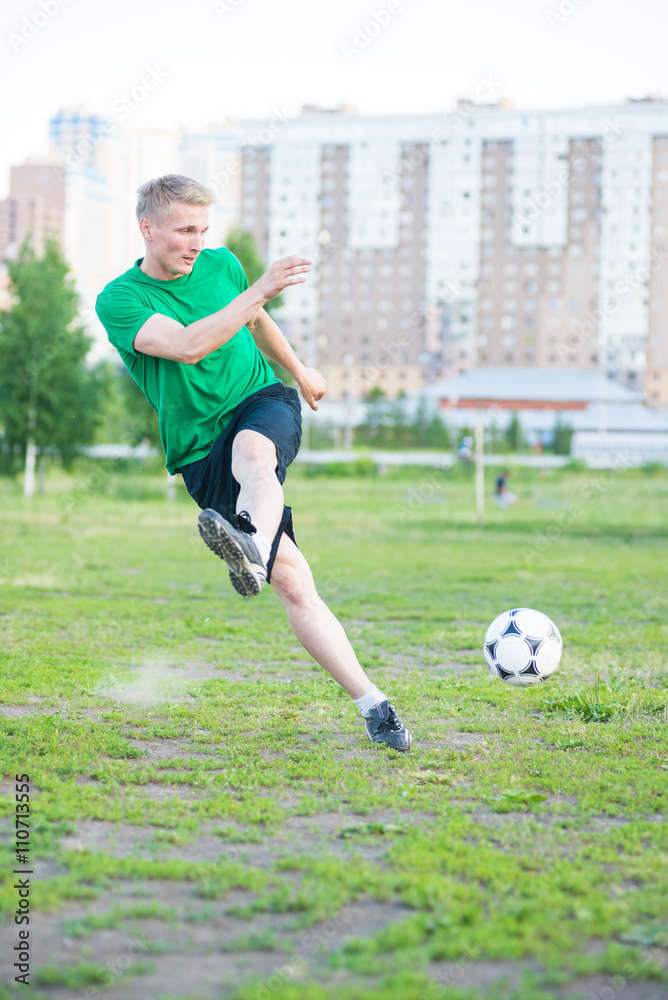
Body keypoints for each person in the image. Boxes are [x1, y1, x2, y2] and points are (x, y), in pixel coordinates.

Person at [95, 174, 411, 751]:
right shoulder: (121, 300)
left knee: (254, 457)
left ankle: (248, 540)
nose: (196, 242)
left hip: (260, 403)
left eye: (203, 230)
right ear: (147, 227)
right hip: (197, 450)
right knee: (293, 582)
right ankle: (375, 705)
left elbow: (257, 322)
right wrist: (260, 288)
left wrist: (299, 370)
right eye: (184, 230)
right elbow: (191, 343)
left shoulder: (223, 266)